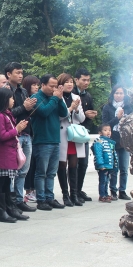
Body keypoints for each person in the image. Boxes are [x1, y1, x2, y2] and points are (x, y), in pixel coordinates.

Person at [31, 74, 68, 211]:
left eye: (55, 86)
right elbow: (44, 112)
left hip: (55, 139)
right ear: (43, 85)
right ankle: (41, 199)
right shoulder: (35, 98)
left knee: (52, 172)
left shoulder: (55, 98)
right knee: (41, 172)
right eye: (51, 86)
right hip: (42, 140)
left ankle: (49, 197)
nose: (54, 89)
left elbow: (64, 113)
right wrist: (55, 98)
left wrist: (60, 98)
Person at [0, 88, 30, 223]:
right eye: (11, 98)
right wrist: (17, 130)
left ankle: (10, 208)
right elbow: (2, 135)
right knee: (1, 182)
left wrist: (17, 129)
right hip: (3, 153)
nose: (13, 101)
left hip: (10, 152)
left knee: (8, 182)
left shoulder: (8, 115)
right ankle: (1, 211)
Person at [4, 63, 37, 212]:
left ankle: (19, 199)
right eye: (17, 73)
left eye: (21, 73)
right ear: (8, 74)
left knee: (23, 170)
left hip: (26, 133)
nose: (20, 75)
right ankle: (10, 201)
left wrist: (31, 108)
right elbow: (7, 113)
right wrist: (24, 107)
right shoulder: (5, 91)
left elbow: (26, 111)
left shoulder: (23, 90)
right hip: (13, 135)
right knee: (12, 171)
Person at [57, 73, 87, 207]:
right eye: (66, 82)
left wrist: (76, 110)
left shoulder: (76, 97)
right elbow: (58, 117)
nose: (69, 84)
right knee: (62, 164)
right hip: (62, 134)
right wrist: (70, 108)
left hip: (74, 135)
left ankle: (74, 194)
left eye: (71, 82)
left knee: (74, 164)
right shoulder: (57, 97)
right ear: (60, 85)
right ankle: (65, 195)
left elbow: (82, 119)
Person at [101, 85, 133, 200]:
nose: (119, 95)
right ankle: (113, 190)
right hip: (112, 140)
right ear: (113, 94)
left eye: (121, 93)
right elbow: (105, 125)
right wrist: (117, 118)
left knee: (124, 168)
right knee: (114, 167)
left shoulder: (129, 107)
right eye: (117, 93)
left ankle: (122, 190)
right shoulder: (107, 107)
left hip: (124, 140)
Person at [73, 68, 96, 202]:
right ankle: (73, 191)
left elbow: (89, 113)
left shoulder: (88, 96)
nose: (86, 82)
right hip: (72, 132)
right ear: (77, 80)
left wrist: (90, 116)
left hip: (83, 132)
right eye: (84, 80)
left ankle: (79, 189)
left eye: (88, 80)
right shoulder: (71, 94)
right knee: (73, 164)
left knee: (84, 163)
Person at [22, 75, 40, 203]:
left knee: (33, 164)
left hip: (33, 134)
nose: (36, 87)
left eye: (37, 85)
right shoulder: (25, 98)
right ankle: (27, 191)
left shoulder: (37, 99)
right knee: (25, 165)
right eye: (33, 85)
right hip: (24, 133)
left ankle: (33, 190)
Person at [92, 124, 119, 202]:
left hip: (109, 165)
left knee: (107, 180)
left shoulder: (110, 142)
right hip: (103, 165)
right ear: (100, 133)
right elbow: (98, 154)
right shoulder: (99, 141)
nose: (108, 132)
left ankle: (106, 194)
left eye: (109, 130)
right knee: (103, 180)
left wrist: (115, 165)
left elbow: (113, 154)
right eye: (105, 130)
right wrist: (101, 164)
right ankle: (102, 195)